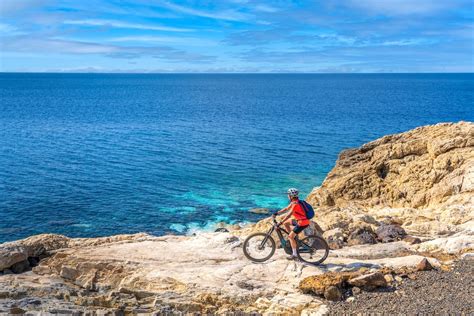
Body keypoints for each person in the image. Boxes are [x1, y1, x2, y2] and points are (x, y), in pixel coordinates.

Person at [272, 188, 310, 260]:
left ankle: (295, 254)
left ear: (291, 196)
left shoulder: (295, 204)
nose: (287, 196)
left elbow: (288, 215)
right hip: (300, 220)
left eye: (288, 195)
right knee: (286, 223)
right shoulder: (294, 202)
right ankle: (294, 238)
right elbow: (286, 209)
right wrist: (277, 213)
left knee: (290, 237)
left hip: (302, 222)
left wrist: (280, 223)